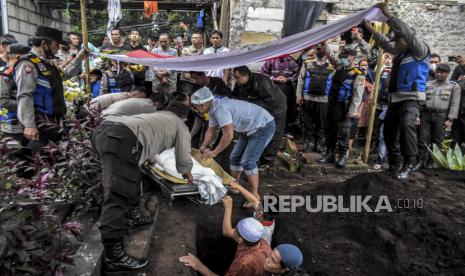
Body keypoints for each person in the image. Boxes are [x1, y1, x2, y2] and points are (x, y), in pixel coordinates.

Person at [92, 95, 193, 273]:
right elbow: (184, 158)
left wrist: (149, 158)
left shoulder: (158, 115)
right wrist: (188, 174)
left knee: (130, 178)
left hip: (106, 132)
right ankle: (114, 256)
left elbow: (149, 137)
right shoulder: (181, 125)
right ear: (184, 117)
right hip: (121, 140)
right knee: (117, 194)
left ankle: (134, 217)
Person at [365, 3, 431, 180]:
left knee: (407, 126)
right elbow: (386, 44)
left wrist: (388, 16)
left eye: (398, 40)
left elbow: (407, 32)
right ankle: (394, 163)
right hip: (394, 100)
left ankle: (409, 163)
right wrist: (371, 29)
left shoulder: (420, 51)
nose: (395, 44)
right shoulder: (400, 53)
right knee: (388, 130)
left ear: (407, 40)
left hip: (411, 99)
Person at [192, 87, 275, 204]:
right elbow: (210, 130)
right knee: (235, 157)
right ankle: (235, 185)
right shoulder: (212, 108)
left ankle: (254, 195)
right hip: (249, 127)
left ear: (202, 105)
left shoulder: (220, 109)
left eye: (195, 106)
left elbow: (228, 136)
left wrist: (214, 152)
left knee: (248, 161)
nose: (195, 109)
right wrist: (202, 147)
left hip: (263, 125)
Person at [15, 26, 84, 154]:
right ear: (44, 44)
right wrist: (29, 125)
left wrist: (79, 58)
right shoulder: (28, 64)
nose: (58, 48)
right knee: (41, 165)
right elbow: (25, 95)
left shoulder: (48, 63)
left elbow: (65, 75)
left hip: (55, 122)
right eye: (56, 44)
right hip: (40, 124)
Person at [180, 210, 272, 275]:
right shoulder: (261, 242)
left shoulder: (244, 263)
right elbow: (227, 232)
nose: (233, 230)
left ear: (240, 240)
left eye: (235, 230)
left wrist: (199, 266)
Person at [318, 48, 364, 168]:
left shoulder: (358, 74)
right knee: (329, 130)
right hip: (332, 104)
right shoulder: (339, 68)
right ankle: (330, 154)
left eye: (345, 56)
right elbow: (332, 58)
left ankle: (342, 156)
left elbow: (358, 95)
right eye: (342, 56)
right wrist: (326, 46)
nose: (342, 59)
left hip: (344, 106)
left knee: (343, 132)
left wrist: (353, 111)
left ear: (352, 57)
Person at [233, 65, 287, 166]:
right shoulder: (239, 84)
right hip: (257, 108)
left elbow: (270, 101)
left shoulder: (261, 81)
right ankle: (256, 154)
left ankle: (268, 160)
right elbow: (236, 98)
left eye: (237, 77)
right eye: (234, 77)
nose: (236, 80)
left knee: (275, 132)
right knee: (254, 131)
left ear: (246, 76)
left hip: (276, 107)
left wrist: (252, 108)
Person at [417, 63, 461, 168]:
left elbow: (455, 104)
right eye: (437, 72)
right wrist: (417, 115)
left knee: (438, 140)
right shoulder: (428, 84)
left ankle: (433, 163)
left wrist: (450, 119)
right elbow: (420, 101)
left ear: (447, 74)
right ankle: (421, 161)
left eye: (442, 72)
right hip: (426, 114)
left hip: (441, 116)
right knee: (422, 139)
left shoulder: (453, 86)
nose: (439, 74)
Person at [296, 43, 335, 152]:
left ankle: (318, 143)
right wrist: (299, 95)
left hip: (324, 99)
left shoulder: (332, 65)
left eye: (321, 48)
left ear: (326, 50)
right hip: (308, 98)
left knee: (321, 123)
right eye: (317, 49)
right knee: (306, 122)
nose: (319, 50)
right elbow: (301, 80)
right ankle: (307, 142)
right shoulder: (307, 63)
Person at [0, 43, 30, 142]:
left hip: (25, 124)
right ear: (18, 57)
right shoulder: (6, 74)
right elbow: (3, 101)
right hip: (12, 127)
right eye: (26, 58)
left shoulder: (20, 72)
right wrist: (28, 104)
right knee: (13, 154)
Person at [261, 55, 299, 132]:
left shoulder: (292, 62)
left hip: (287, 94)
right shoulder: (270, 60)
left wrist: (287, 79)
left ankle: (285, 131)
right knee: (272, 111)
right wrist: (273, 79)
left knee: (286, 112)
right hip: (272, 93)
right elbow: (263, 73)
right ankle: (271, 129)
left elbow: (297, 76)